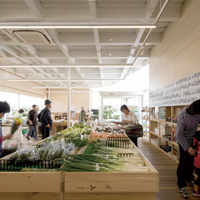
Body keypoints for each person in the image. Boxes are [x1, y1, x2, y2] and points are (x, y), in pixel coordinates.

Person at [176, 99, 200, 198]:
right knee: (184, 163)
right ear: (194, 111)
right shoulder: (183, 117)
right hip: (183, 141)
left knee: (191, 161)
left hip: (192, 139)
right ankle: (181, 186)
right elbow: (179, 135)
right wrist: (188, 148)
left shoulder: (197, 114)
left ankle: (189, 178)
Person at [193, 130, 200, 197]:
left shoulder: (196, 136)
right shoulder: (197, 136)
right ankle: (196, 191)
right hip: (198, 161)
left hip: (197, 161)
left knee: (198, 175)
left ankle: (196, 190)